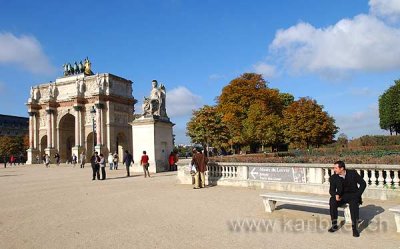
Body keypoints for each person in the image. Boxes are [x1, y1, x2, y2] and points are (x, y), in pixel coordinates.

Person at [328, 160, 366, 237]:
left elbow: (363, 183)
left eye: (335, 168)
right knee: (332, 201)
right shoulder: (333, 177)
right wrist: (335, 195)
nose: (334, 169)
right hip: (341, 196)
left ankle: (355, 229)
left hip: (353, 195)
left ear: (342, 168)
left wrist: (357, 195)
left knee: (354, 205)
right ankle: (334, 225)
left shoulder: (353, 173)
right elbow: (331, 190)